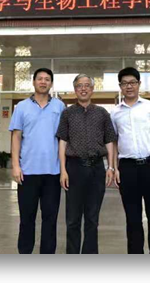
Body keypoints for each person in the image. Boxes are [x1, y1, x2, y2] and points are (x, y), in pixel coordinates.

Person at [111, 67, 150, 254]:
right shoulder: (115, 113)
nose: (129, 86)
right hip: (128, 168)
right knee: (132, 218)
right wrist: (114, 168)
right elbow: (114, 142)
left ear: (139, 84)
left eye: (132, 82)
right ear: (120, 86)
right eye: (124, 83)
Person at [56, 74, 117, 254]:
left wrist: (111, 167)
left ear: (92, 89)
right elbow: (62, 142)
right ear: (75, 89)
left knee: (92, 218)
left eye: (87, 85)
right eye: (79, 86)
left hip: (97, 169)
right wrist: (63, 170)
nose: (83, 89)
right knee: (72, 219)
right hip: (74, 169)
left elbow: (110, 141)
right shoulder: (67, 113)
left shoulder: (102, 113)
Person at [9, 68, 65, 254]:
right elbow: (16, 137)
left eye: (47, 79)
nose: (43, 82)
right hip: (27, 172)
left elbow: (63, 139)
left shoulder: (59, 107)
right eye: (40, 79)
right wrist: (16, 166)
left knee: (50, 218)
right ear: (33, 82)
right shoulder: (22, 107)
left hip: (53, 172)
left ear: (51, 84)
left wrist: (63, 169)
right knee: (27, 218)